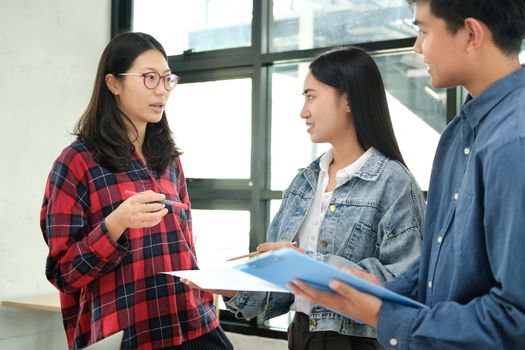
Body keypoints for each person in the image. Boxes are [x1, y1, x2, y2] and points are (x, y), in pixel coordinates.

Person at [289, 1, 525, 349]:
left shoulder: (514, 143)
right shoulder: (457, 136)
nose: (417, 47)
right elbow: (435, 265)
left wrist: (383, 315)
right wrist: (373, 289)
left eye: (424, 31)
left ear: (471, 34)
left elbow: (515, 320)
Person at [184, 46, 426, 350]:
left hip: (362, 343)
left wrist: (310, 264)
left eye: (311, 96)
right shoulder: (305, 182)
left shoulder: (393, 182)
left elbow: (407, 283)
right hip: (301, 337)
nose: (303, 111)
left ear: (348, 98)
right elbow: (281, 294)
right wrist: (232, 288)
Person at [40, 32, 233, 350]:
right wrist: (116, 223)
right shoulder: (76, 163)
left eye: (167, 79)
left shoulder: (168, 160)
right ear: (113, 84)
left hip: (195, 326)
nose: (162, 90)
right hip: (130, 335)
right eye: (149, 78)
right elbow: (64, 274)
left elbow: (185, 252)